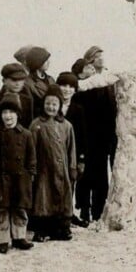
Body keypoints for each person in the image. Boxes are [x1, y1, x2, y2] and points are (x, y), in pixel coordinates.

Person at [0, 94, 36, 253]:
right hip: (1, 179)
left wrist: (30, 173)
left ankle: (19, 236)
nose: (8, 116)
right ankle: (2, 240)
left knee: (19, 208)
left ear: (17, 114)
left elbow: (31, 157)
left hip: (21, 178)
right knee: (2, 209)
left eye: (11, 112)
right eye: (5, 112)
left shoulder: (26, 134)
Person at [74, 46, 117, 223]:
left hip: (106, 133)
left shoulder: (109, 78)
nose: (101, 59)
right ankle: (84, 208)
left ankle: (99, 209)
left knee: (101, 173)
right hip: (89, 132)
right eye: (96, 56)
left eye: (102, 55)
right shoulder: (88, 82)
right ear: (90, 60)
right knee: (86, 172)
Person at [30, 85, 77, 241]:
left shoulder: (67, 126)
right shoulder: (37, 125)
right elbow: (31, 149)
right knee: (43, 197)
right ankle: (42, 229)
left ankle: (62, 228)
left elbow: (71, 149)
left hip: (61, 169)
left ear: (60, 106)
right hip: (44, 169)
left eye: (54, 104)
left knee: (63, 196)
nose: (51, 107)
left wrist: (72, 167)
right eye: (48, 103)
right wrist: (32, 168)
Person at [56, 72, 88, 227]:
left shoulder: (78, 109)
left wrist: (81, 158)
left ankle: (67, 214)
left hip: (72, 153)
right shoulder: (52, 106)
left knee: (70, 183)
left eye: (71, 87)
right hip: (55, 151)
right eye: (63, 85)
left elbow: (82, 136)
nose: (67, 90)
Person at [0, 63, 34, 129]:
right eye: (14, 80)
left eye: (21, 80)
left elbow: (29, 124)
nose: (18, 83)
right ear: (4, 81)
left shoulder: (28, 100)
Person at [25, 47, 55, 118]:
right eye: (45, 60)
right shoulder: (27, 83)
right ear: (37, 62)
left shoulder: (51, 79)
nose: (49, 62)